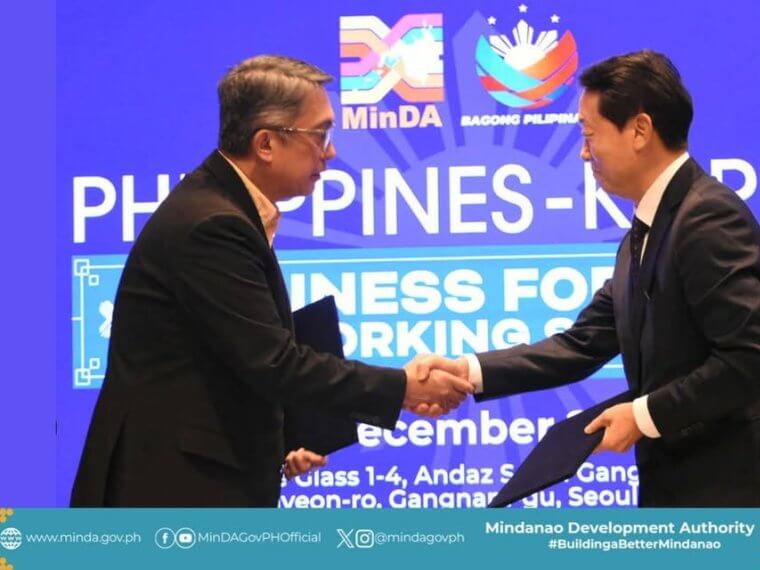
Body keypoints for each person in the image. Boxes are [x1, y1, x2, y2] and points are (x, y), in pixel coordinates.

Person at [418, 50, 760, 507]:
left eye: (589, 134)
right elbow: (582, 343)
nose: (582, 152)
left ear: (639, 130)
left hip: (747, 500)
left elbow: (751, 357)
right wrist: (469, 373)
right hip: (689, 493)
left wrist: (643, 415)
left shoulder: (707, 219)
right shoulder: (646, 231)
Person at [71, 55, 472, 507]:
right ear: (266, 143)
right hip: (170, 493)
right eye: (320, 134)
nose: (331, 151)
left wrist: (286, 434)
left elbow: (224, 360)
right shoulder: (212, 224)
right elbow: (273, 362)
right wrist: (403, 388)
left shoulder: (224, 208)